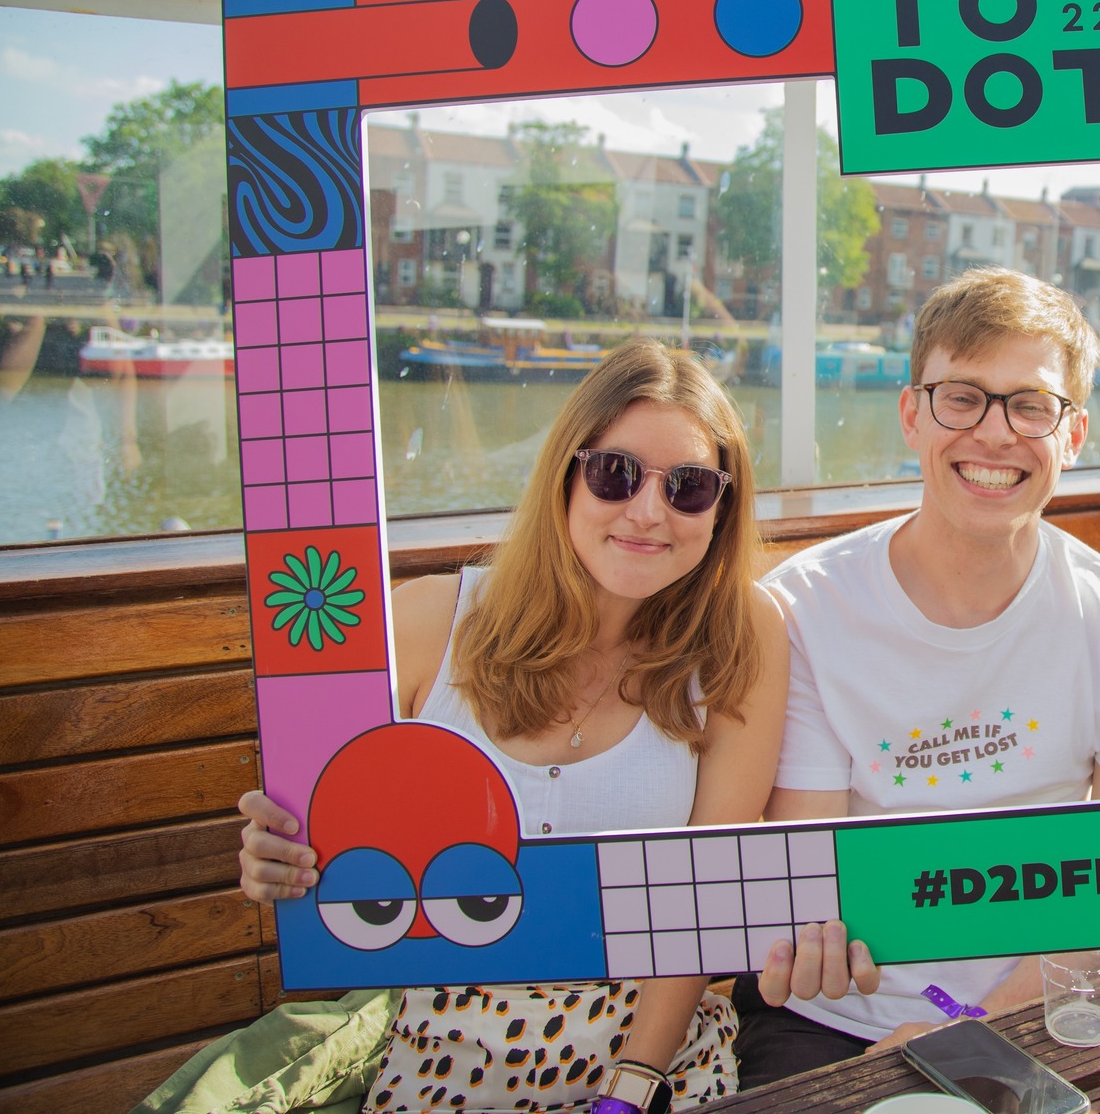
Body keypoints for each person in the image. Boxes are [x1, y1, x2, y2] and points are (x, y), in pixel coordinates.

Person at [212, 340, 789, 1114]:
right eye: (615, 473)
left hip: (657, 1051)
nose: (649, 511)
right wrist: (280, 858)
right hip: (447, 1047)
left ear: (720, 509)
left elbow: (707, 889)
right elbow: (330, 832)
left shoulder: (743, 636)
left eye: (688, 486)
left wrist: (631, 1085)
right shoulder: (427, 623)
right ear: (565, 475)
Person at [741, 267, 1100, 1083]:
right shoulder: (806, 610)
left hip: (1047, 998)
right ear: (912, 413)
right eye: (962, 397)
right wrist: (808, 937)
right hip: (843, 1013)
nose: (995, 433)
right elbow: (814, 872)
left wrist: (972, 1029)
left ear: (1074, 434)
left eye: (1031, 404)